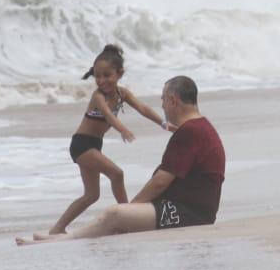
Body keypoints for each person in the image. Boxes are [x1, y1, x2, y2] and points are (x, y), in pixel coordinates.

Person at [19, 76, 224, 244]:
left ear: (173, 100)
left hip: (187, 214)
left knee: (115, 215)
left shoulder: (190, 131)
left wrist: (131, 209)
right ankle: (63, 235)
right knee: (118, 217)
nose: (161, 105)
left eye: (163, 100)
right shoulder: (201, 126)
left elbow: (160, 181)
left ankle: (64, 239)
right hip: (192, 209)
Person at [44, 45, 172, 236]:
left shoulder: (122, 94)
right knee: (117, 174)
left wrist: (163, 124)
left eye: (107, 75)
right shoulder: (98, 96)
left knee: (91, 195)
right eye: (98, 76)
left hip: (94, 145)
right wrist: (123, 129)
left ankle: (57, 228)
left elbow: (143, 108)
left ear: (119, 74)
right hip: (82, 144)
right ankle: (128, 219)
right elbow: (107, 116)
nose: (102, 80)